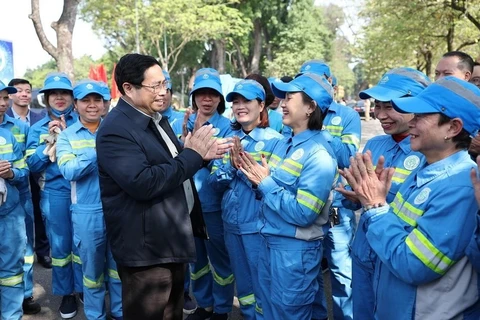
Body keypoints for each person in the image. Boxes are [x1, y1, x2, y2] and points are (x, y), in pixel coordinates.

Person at [96, 53, 230, 320]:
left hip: (169, 239)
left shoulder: (154, 119)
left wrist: (199, 158)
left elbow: (174, 168)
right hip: (147, 252)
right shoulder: (117, 129)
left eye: (164, 84)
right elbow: (143, 182)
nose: (163, 92)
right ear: (128, 89)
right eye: (154, 86)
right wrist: (193, 155)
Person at [341, 76, 480, 319]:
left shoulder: (462, 185)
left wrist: (375, 206)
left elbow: (414, 265)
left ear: (453, 128)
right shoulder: (425, 169)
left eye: (421, 116)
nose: (412, 124)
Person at [238, 72, 337, 319]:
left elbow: (304, 214)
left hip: (295, 253)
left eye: (289, 98)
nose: (281, 103)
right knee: (272, 310)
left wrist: (265, 182)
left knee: (290, 313)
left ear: (310, 107)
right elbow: (268, 186)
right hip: (272, 243)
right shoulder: (286, 143)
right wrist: (256, 179)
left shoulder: (319, 155)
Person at [339, 67, 430, 319]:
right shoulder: (375, 144)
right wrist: (352, 196)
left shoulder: (428, 152)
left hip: (396, 257)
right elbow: (357, 197)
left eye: (389, 106)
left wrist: (374, 199)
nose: (380, 115)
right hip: (364, 252)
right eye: (377, 106)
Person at [209, 78, 283, 319]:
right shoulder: (226, 139)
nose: (240, 106)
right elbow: (214, 181)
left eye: (246, 101)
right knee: (244, 289)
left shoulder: (276, 141)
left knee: (264, 285)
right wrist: (230, 166)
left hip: (260, 227)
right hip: (231, 225)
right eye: (236, 102)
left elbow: (278, 189)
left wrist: (256, 178)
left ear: (261, 105)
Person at [296, 60, 361, 320]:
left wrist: (316, 128)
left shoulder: (347, 116)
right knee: (309, 268)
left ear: (330, 84)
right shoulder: (293, 116)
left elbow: (349, 157)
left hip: (336, 209)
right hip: (304, 207)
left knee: (340, 268)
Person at [56, 80, 123, 320]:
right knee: (92, 272)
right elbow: (69, 171)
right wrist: (99, 148)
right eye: (86, 100)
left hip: (118, 210)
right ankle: (95, 315)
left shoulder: (119, 130)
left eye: (97, 100)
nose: (92, 105)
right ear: (75, 105)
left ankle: (119, 313)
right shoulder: (66, 137)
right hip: (87, 212)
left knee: (119, 270)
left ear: (106, 104)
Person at [25, 73, 83, 319]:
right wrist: (49, 141)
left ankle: (84, 288)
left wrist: (70, 135)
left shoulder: (83, 121)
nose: (59, 98)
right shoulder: (37, 128)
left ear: (72, 97)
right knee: (60, 247)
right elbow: (32, 164)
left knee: (84, 244)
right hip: (55, 192)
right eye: (54, 94)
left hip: (84, 190)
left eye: (64, 93)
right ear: (46, 98)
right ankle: (66, 293)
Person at [185, 68, 234, 320]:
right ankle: (204, 305)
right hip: (188, 206)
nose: (206, 99)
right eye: (201, 94)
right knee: (197, 260)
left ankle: (223, 308)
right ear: (193, 97)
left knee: (220, 260)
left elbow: (223, 168)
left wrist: (199, 158)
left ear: (219, 99)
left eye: (212, 94)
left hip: (214, 206)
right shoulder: (181, 123)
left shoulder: (228, 127)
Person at [0, 79, 40, 315]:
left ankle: (12, 313)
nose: (3, 103)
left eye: (5, 98)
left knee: (12, 269)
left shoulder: (14, 130)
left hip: (11, 211)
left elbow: (25, 168)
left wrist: (12, 172)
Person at [8, 78, 51, 271]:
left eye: (27, 91)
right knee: (21, 218)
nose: (24, 94)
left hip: (36, 173)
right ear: (10, 95)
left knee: (39, 213)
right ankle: (23, 252)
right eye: (19, 90)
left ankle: (42, 251)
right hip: (14, 174)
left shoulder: (40, 117)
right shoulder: (5, 118)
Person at [160, 70, 184, 136]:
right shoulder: (142, 122)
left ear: (171, 94)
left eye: (166, 90)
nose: (161, 94)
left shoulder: (183, 120)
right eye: (156, 89)